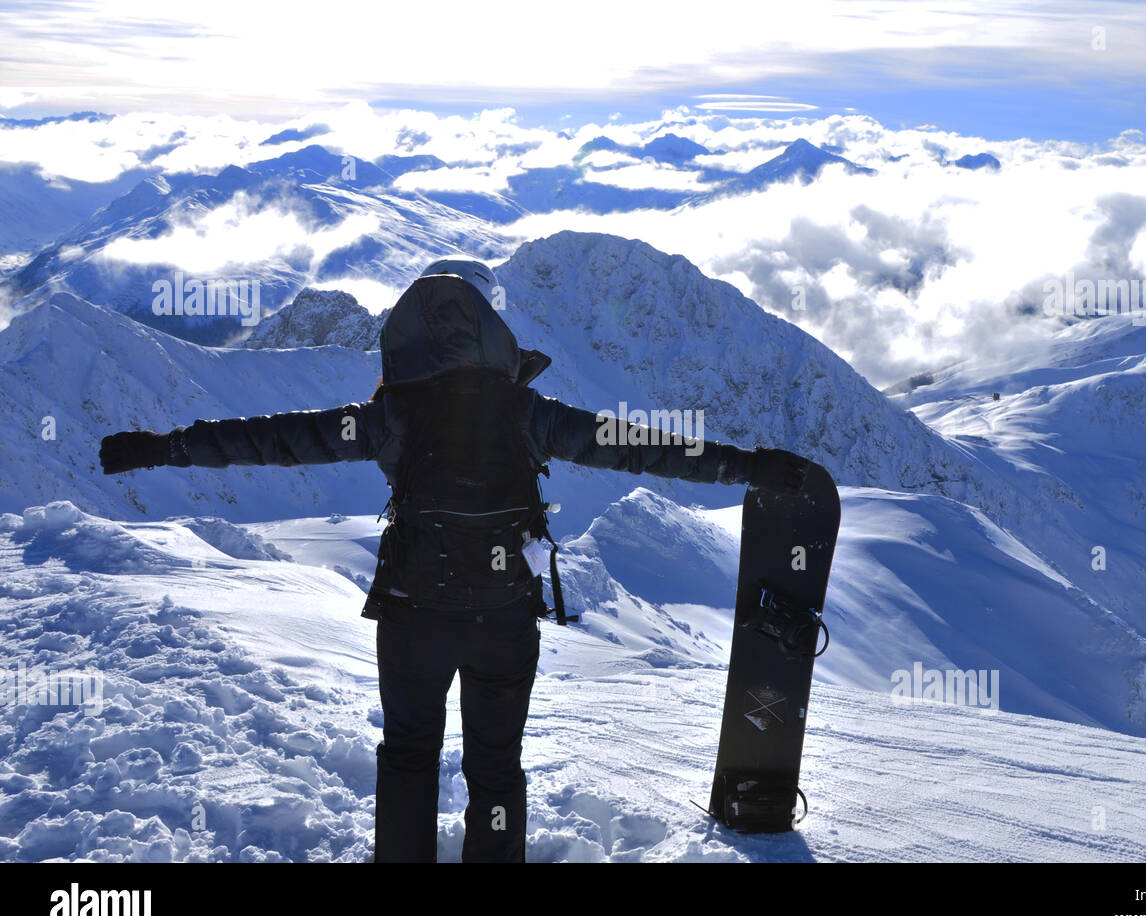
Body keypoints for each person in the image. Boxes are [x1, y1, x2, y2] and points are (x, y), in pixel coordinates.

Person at [99, 256, 812, 863]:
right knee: (496, 767)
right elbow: (644, 445)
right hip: (504, 620)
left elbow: (279, 439)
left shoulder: (388, 420)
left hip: (413, 619)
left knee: (409, 756)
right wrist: (750, 465)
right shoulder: (531, 415)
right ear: (492, 340)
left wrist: (168, 446)